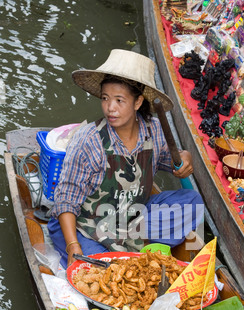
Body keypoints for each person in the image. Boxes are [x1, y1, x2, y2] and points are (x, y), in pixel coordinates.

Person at [48, 49, 204, 268]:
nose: (110, 108)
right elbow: (65, 199)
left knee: (192, 202)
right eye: (105, 98)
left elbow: (171, 161)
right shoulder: (88, 141)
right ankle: (123, 252)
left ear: (138, 102)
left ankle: (134, 247)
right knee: (104, 272)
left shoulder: (153, 129)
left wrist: (184, 158)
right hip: (88, 227)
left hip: (131, 218)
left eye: (119, 100)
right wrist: (73, 245)